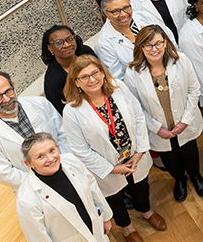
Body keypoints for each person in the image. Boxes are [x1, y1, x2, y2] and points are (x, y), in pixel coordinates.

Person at [62, 55, 165, 240]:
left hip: (134, 156)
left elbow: (138, 116)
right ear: (76, 82)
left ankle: (146, 211)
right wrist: (112, 169)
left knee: (141, 186)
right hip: (107, 166)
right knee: (114, 198)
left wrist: (141, 150)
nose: (92, 79)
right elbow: (80, 149)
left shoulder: (118, 87)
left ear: (102, 72)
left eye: (95, 72)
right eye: (84, 77)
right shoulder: (72, 110)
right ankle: (127, 228)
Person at [123, 25, 203, 202]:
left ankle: (195, 176)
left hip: (185, 123)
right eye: (148, 45)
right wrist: (155, 128)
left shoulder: (181, 60)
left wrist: (185, 121)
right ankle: (180, 180)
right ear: (140, 48)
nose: (154, 49)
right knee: (170, 158)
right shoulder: (133, 73)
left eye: (158, 43)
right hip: (158, 129)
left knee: (190, 151)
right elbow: (135, 107)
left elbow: (194, 90)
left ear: (166, 42)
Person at [0, 71, 66, 191]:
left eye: (8, 91)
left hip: (66, 168)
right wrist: (44, 181)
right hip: (37, 189)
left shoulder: (40, 103)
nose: (7, 99)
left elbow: (63, 134)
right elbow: (5, 173)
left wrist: (65, 163)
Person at [16, 132, 113, 242]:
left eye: (52, 150)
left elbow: (93, 188)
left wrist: (105, 218)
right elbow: (37, 237)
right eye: (40, 156)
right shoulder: (26, 199)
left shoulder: (71, 161)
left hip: (96, 230)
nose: (50, 158)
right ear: (28, 163)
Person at [96, 0, 173, 80]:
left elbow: (169, 38)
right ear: (106, 14)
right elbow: (118, 78)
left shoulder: (145, 17)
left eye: (126, 8)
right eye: (115, 11)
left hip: (170, 69)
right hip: (141, 85)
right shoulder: (103, 43)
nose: (123, 14)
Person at [42, 26, 97, 114]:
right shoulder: (53, 81)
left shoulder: (86, 52)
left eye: (69, 39)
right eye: (58, 42)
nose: (67, 45)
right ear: (50, 48)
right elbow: (62, 112)